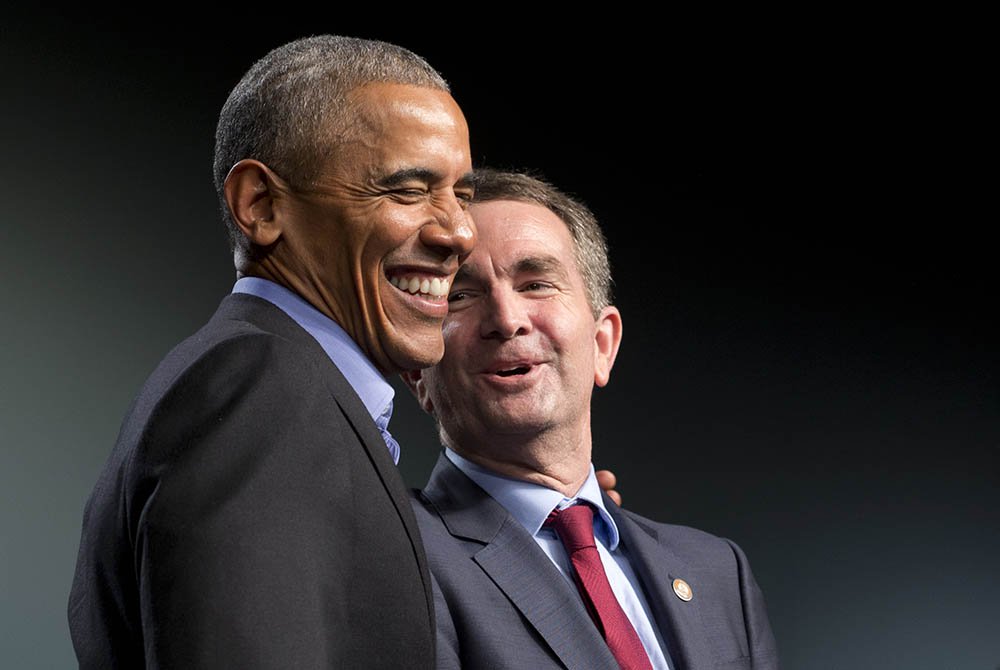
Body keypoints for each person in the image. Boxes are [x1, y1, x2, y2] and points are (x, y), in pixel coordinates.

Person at [67, 34, 477, 668]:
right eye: (407, 190)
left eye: (462, 194)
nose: (458, 232)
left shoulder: (273, 388)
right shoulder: (264, 390)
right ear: (259, 205)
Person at [404, 168, 780, 669]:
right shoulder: (396, 554)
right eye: (461, 295)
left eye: (536, 283)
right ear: (417, 375)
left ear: (603, 344)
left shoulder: (718, 573)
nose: (506, 318)